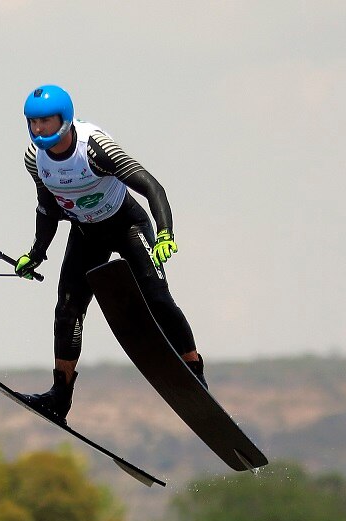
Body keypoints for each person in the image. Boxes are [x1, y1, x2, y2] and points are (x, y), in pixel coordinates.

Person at [13, 84, 205, 424]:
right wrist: (36, 253)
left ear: (65, 119)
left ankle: (195, 374)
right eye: (33, 122)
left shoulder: (95, 149)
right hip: (86, 233)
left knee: (158, 301)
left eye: (46, 121)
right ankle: (60, 397)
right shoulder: (34, 159)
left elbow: (151, 187)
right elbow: (48, 209)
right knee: (67, 310)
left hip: (127, 225)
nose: (39, 129)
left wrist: (164, 234)